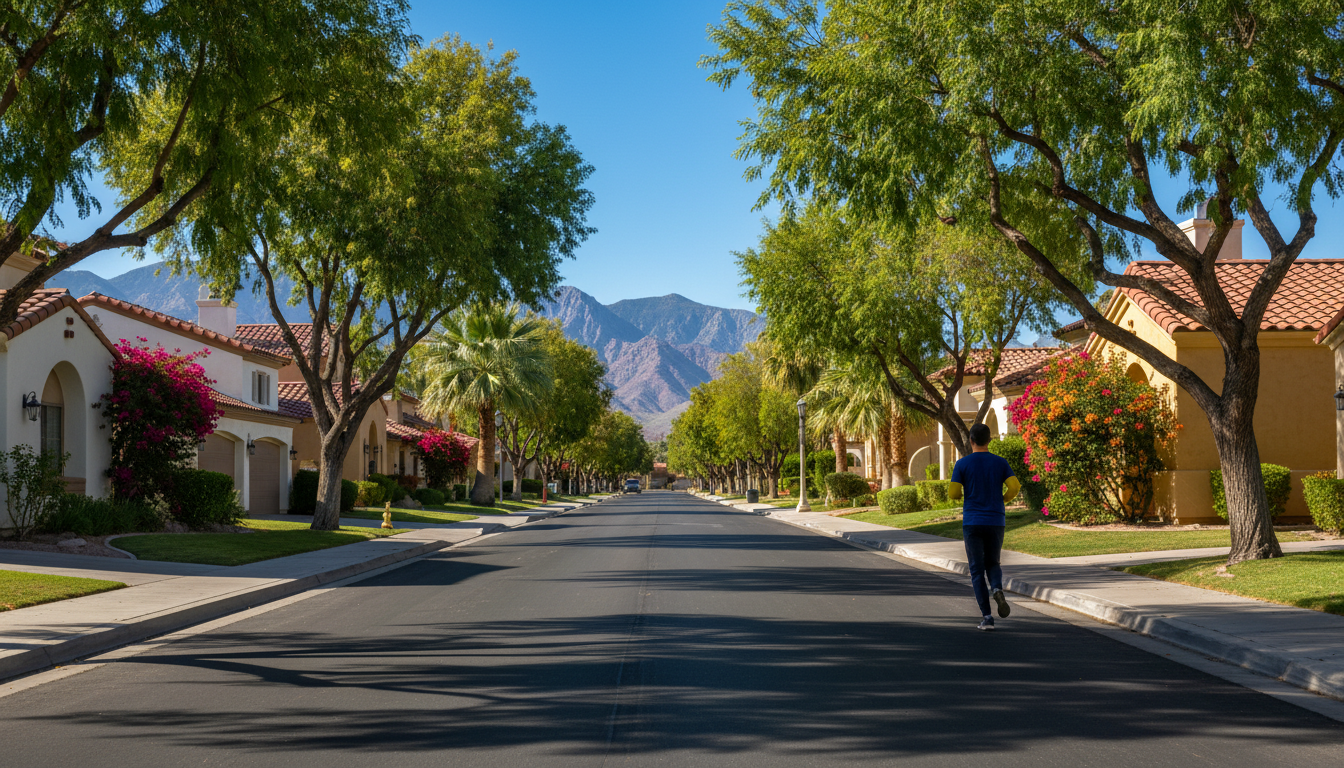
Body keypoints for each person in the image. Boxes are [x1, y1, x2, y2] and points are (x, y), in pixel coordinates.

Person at [949, 423, 1021, 631]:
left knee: (976, 570)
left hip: (972, 521)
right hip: (995, 520)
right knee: (993, 562)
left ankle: (987, 617)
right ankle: (997, 588)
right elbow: (1015, 487)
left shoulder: (962, 464)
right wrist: (1002, 500)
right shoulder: (1000, 462)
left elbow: (953, 493)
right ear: (989, 441)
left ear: (971, 440)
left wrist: (967, 497)